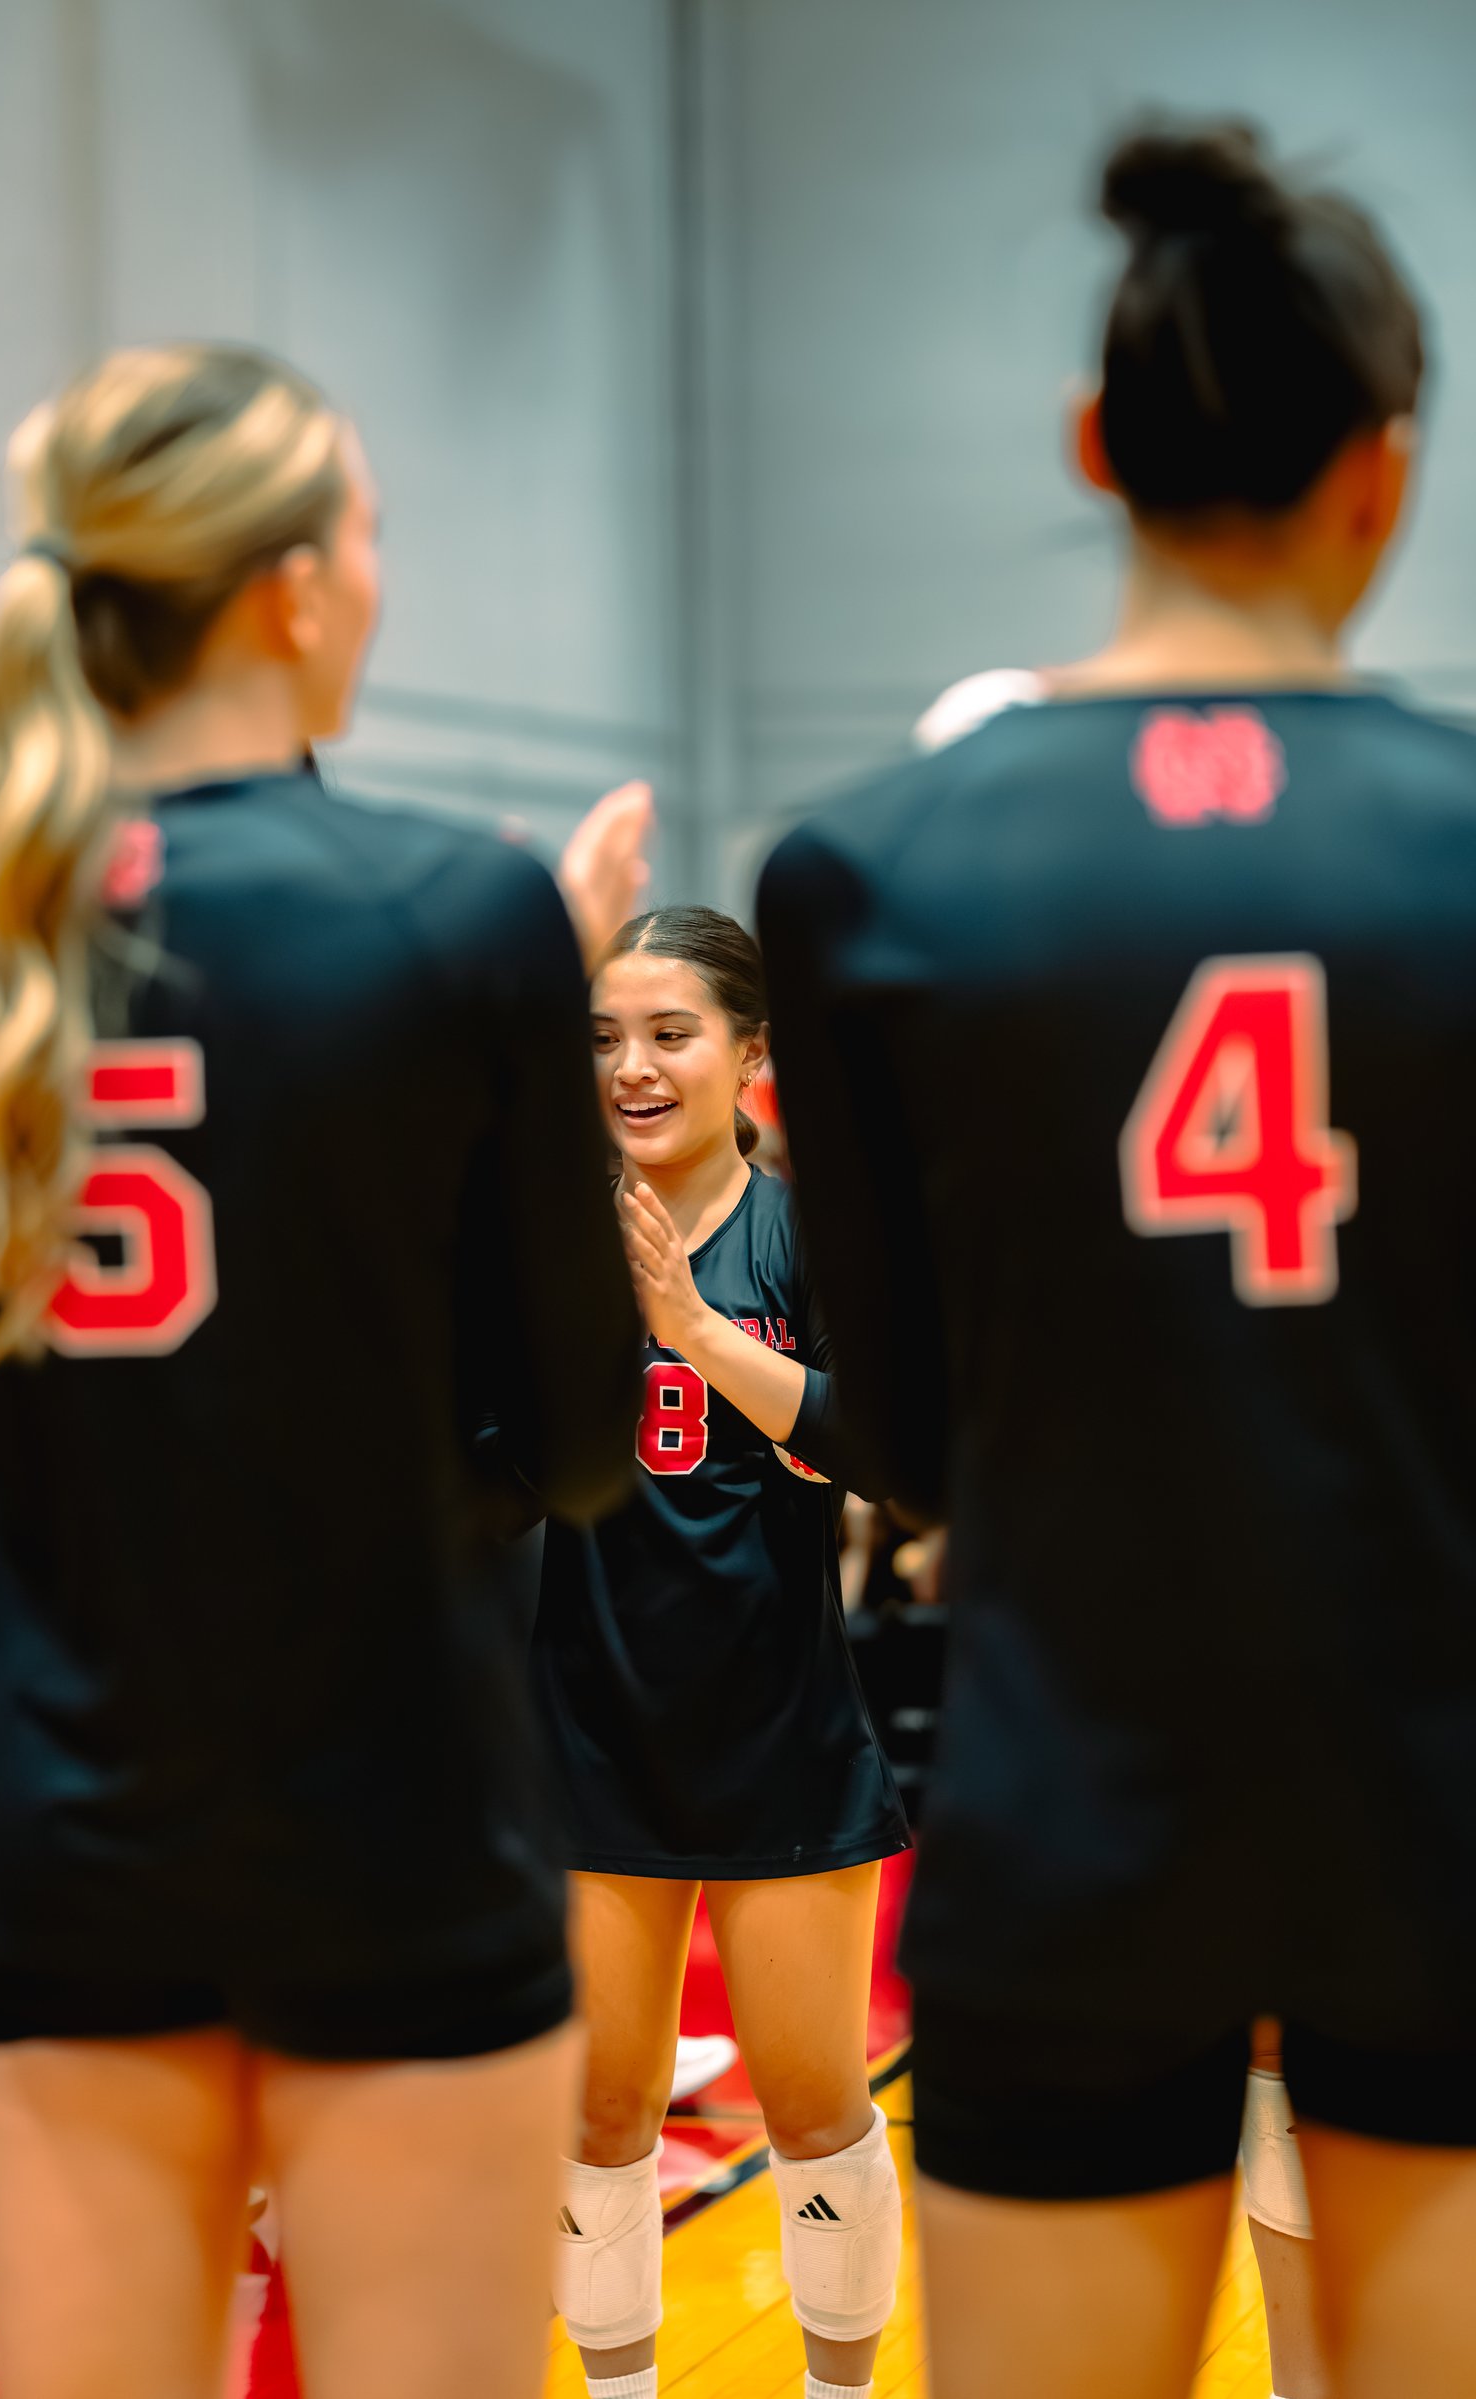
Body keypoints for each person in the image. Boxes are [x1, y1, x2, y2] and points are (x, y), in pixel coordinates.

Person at [758, 118, 1476, 2399]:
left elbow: (888, 1418)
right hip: (1432, 1807)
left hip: (1061, 1816)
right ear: (1384, 468)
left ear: (1094, 448)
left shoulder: (864, 869)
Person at [0, 340, 645, 2399]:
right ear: (292, 587)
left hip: (75, 1832)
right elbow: (582, 1438)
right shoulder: (456, 909)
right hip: (399, 1822)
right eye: (374, 533)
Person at [531, 905, 909, 2399]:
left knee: (817, 2100)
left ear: (751, 1053)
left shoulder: (807, 1237)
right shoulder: (541, 1244)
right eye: (606, 1036)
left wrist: (686, 1321)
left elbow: (876, 1445)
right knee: (601, 2104)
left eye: (670, 1032)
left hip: (780, 1724)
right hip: (586, 1726)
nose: (633, 1064)